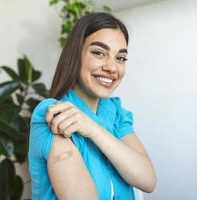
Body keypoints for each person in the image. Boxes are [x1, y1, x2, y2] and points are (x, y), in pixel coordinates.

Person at [28, 12, 157, 200]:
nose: (112, 68)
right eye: (99, 53)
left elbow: (148, 180)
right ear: (75, 54)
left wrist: (92, 128)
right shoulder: (54, 114)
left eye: (120, 58)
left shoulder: (115, 112)